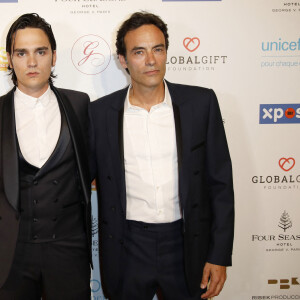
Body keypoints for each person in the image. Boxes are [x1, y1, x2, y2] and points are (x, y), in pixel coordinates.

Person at [90, 12, 234, 300]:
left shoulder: (201, 104)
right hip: (126, 247)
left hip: (186, 245)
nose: (151, 60)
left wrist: (219, 255)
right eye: (139, 52)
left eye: (158, 49)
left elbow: (220, 185)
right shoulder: (99, 114)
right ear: (123, 60)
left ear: (166, 52)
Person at [0, 13, 92, 299]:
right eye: (21, 53)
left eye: (40, 51)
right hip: (11, 253)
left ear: (53, 56)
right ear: (10, 59)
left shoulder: (79, 104)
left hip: (68, 249)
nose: (31, 62)